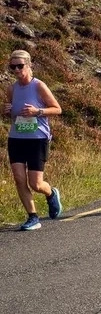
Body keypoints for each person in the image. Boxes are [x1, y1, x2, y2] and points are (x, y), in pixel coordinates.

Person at [6, 50, 62, 230]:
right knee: (18, 179)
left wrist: (37, 111)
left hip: (37, 139)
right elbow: (12, 114)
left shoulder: (39, 86)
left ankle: (51, 193)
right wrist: (5, 109)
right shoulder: (11, 89)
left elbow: (57, 109)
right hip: (16, 138)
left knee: (35, 183)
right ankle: (33, 217)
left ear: (29, 66)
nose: (16, 70)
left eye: (20, 66)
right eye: (12, 67)